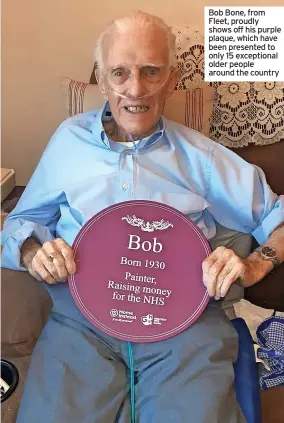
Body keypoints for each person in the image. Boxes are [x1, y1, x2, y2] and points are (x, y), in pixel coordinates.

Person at [1, 11, 284, 423]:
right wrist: (31, 252)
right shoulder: (69, 141)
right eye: (120, 73)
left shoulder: (201, 156)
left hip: (184, 320)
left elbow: (278, 217)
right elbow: (20, 219)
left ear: (172, 79)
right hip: (81, 317)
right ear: (102, 79)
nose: (136, 89)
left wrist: (256, 264)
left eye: (151, 72)